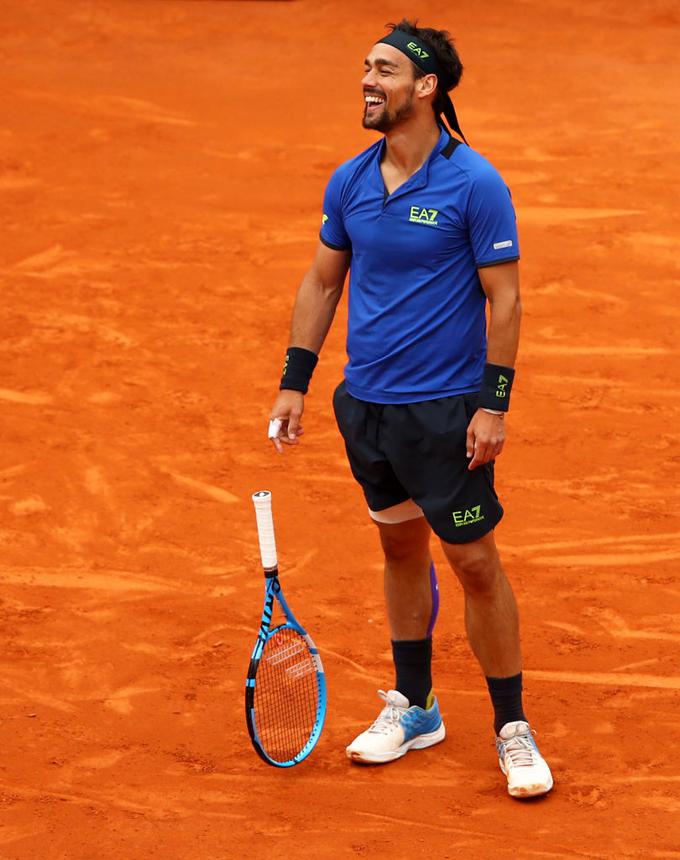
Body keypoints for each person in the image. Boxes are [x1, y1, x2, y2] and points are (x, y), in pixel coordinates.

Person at [267, 18, 553, 798]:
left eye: (385, 69)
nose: (368, 79)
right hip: (368, 409)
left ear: (425, 88)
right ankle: (418, 705)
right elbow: (324, 280)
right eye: (366, 66)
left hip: (446, 414)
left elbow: (506, 298)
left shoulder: (475, 183)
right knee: (399, 552)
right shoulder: (352, 181)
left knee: (474, 564)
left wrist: (493, 405)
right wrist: (296, 380)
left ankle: (511, 726)